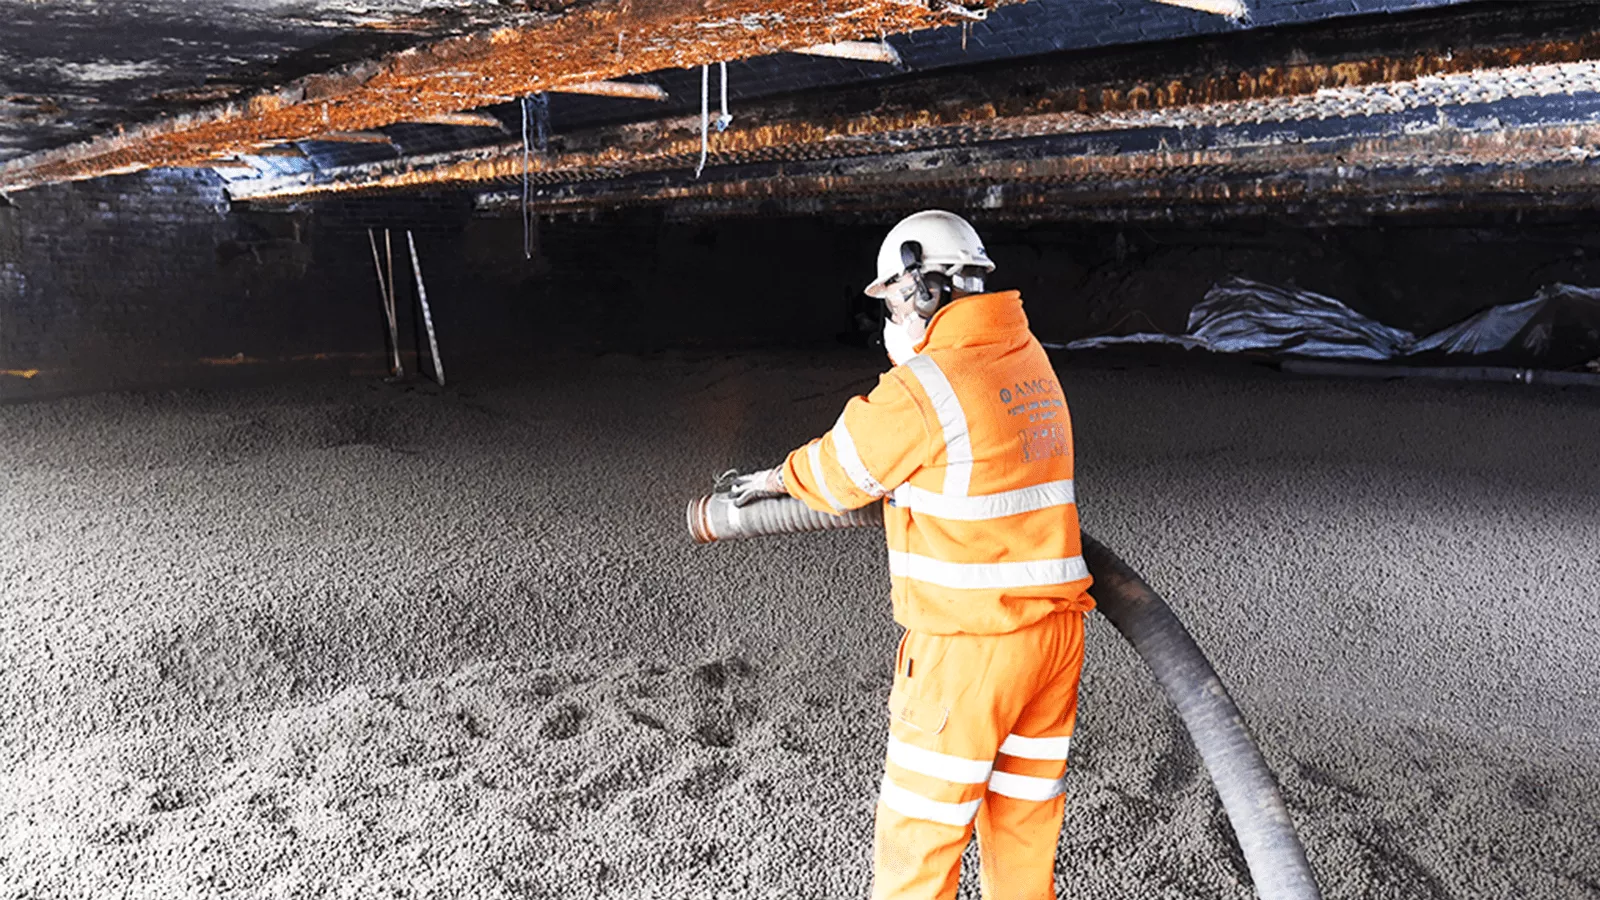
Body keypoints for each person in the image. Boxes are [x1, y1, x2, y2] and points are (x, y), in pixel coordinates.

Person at [728, 210, 1095, 900]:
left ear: (926, 289)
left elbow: (841, 472)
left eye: (894, 296)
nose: (890, 314)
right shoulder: (1026, 357)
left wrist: (774, 478)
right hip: (1054, 642)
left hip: (970, 650)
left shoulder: (929, 383)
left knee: (919, 843)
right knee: (1021, 837)